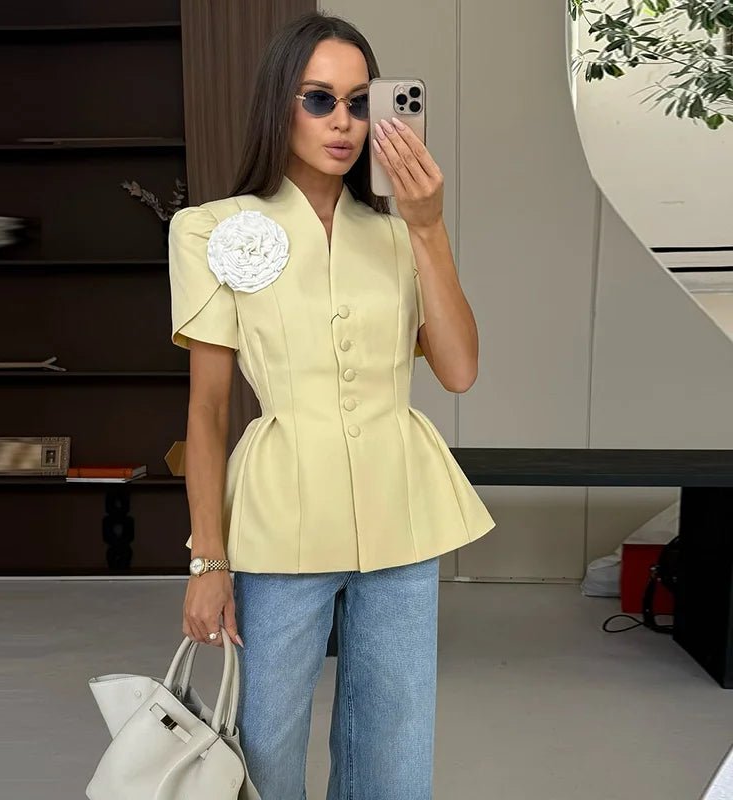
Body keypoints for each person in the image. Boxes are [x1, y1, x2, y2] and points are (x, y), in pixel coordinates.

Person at [167, 10, 496, 800]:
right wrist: (207, 559)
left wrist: (430, 229)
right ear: (280, 103)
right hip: (279, 517)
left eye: (359, 102)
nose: (343, 123)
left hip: (402, 511)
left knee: (395, 745)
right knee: (264, 747)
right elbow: (208, 414)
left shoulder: (400, 235)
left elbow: (458, 371)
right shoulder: (213, 230)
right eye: (320, 100)